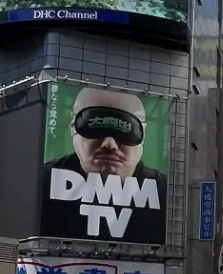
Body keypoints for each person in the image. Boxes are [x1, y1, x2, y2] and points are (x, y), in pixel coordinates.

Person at [36, 88, 169, 245]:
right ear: (73, 127)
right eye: (96, 126)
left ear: (143, 135)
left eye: (125, 129)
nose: (110, 144)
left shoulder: (166, 194)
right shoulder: (39, 184)